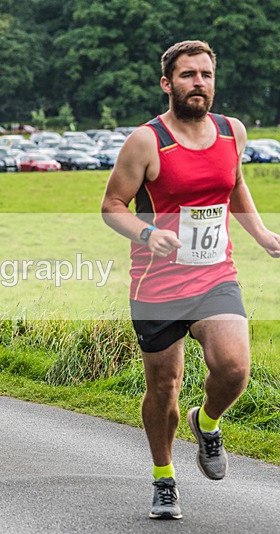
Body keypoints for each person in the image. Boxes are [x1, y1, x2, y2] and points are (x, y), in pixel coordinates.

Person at [101, 40, 280, 520]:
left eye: (205, 74)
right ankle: (164, 479)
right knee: (164, 386)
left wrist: (261, 232)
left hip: (215, 274)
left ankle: (208, 422)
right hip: (156, 285)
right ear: (167, 84)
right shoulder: (146, 141)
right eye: (187, 75)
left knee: (234, 367)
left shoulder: (231, 132)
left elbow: (234, 183)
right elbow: (112, 206)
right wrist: (146, 233)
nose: (198, 83)